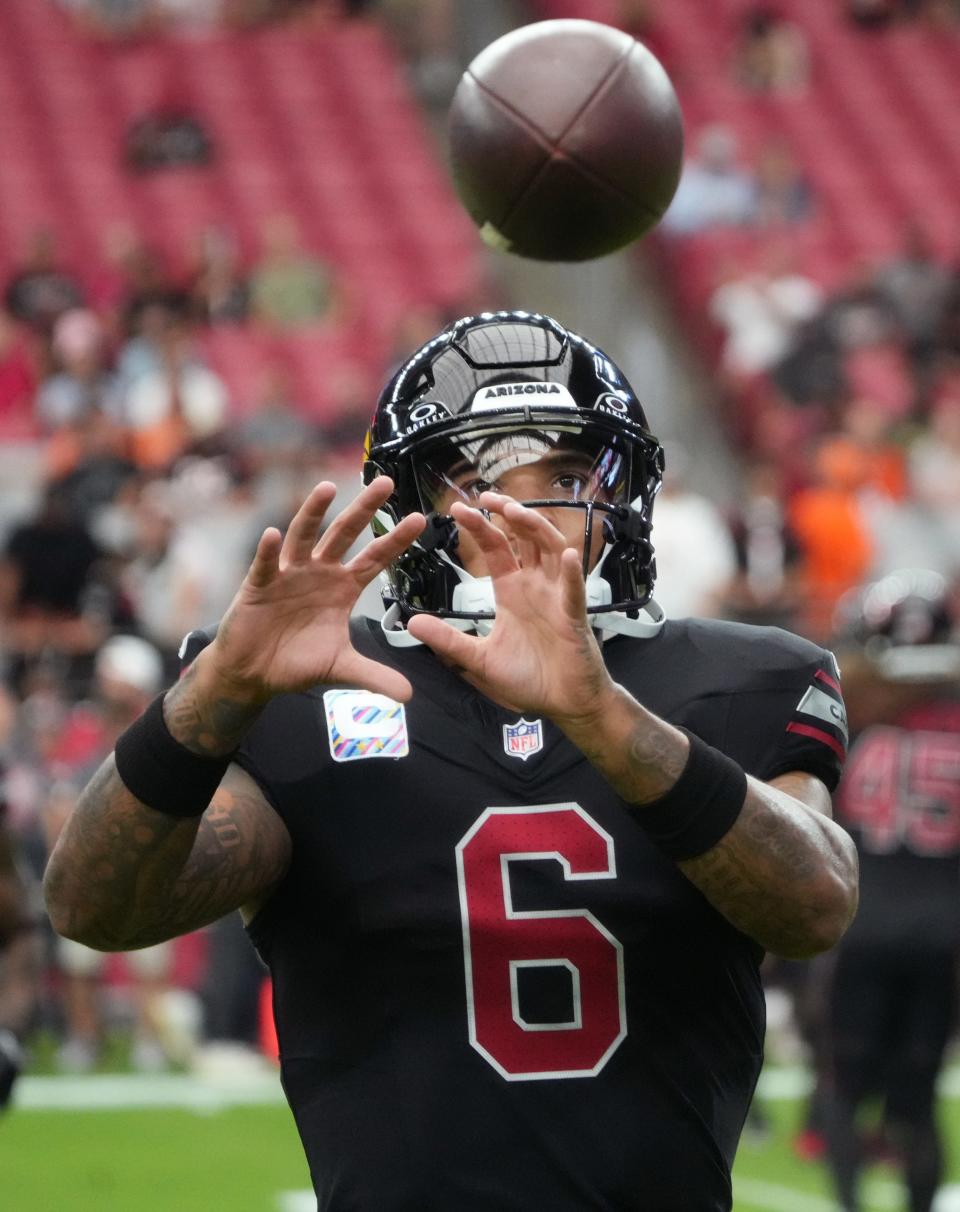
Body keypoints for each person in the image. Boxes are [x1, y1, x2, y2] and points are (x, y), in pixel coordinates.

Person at [44, 313, 858, 1212]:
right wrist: (214, 697)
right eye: (478, 482)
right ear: (409, 514)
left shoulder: (745, 680)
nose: (523, 514)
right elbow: (92, 907)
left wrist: (604, 717)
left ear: (622, 493)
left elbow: (815, 904)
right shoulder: (310, 692)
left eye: (566, 476)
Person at [820, 570, 960, 1212]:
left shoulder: (851, 717)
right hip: (944, 934)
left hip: (863, 925)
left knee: (843, 1088)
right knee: (919, 1098)